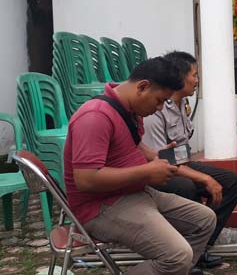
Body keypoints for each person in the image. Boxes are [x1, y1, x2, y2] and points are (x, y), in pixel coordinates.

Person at [64, 57, 216, 275]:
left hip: (135, 193)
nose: (159, 108)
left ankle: (174, 271)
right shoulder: (95, 117)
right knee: (177, 255)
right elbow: (86, 179)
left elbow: (139, 149)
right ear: (142, 86)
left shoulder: (130, 111)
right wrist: (146, 173)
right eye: (159, 100)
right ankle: (174, 266)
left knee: (204, 219)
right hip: (101, 207)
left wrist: (162, 159)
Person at [142, 51, 237, 269]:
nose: (197, 80)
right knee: (186, 186)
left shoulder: (182, 104)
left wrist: (204, 176)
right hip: (156, 170)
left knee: (233, 181)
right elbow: (161, 161)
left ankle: (200, 247)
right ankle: (183, 252)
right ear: (179, 76)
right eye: (194, 75)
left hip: (181, 163)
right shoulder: (157, 108)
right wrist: (205, 178)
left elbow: (181, 152)